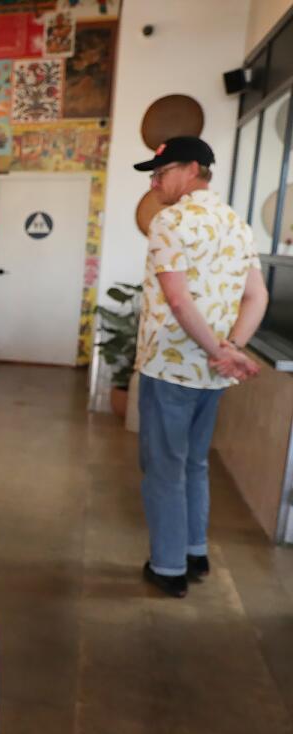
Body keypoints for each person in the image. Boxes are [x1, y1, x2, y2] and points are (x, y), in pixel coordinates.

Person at [131, 136, 268, 598]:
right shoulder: (237, 224)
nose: (155, 183)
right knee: (194, 464)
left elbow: (177, 298)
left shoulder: (170, 221)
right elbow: (257, 295)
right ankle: (194, 551)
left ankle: (169, 568)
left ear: (192, 169)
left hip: (169, 370)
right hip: (211, 376)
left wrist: (219, 349)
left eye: (161, 172)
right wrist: (230, 349)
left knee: (164, 469)